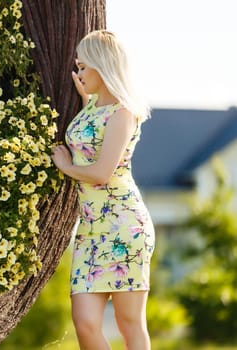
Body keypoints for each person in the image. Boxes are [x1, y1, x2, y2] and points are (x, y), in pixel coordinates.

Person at [51, 30, 155, 350]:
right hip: (90, 230)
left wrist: (67, 167)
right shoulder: (92, 108)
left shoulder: (123, 112)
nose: (79, 73)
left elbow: (100, 172)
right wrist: (86, 100)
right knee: (85, 323)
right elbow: (90, 135)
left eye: (84, 67)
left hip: (124, 226)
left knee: (128, 324)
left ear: (101, 65)